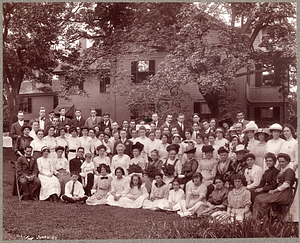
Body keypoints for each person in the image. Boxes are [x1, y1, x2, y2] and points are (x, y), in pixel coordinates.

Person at [253, 153, 296, 221]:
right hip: (280, 192)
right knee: (258, 197)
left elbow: (286, 184)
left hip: (285, 194)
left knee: (261, 200)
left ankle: (263, 219)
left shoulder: (289, 171)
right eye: (280, 161)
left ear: (287, 162)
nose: (281, 163)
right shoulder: (282, 171)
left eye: (283, 161)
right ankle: (258, 219)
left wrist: (275, 190)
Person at [280, 123, 298, 222]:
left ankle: (294, 216)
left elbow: (297, 159)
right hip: (283, 168)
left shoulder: (295, 143)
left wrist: (292, 171)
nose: (286, 133)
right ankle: (284, 215)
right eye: (284, 131)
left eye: (287, 131)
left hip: (291, 168)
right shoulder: (284, 143)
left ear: (291, 131)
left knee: (292, 191)